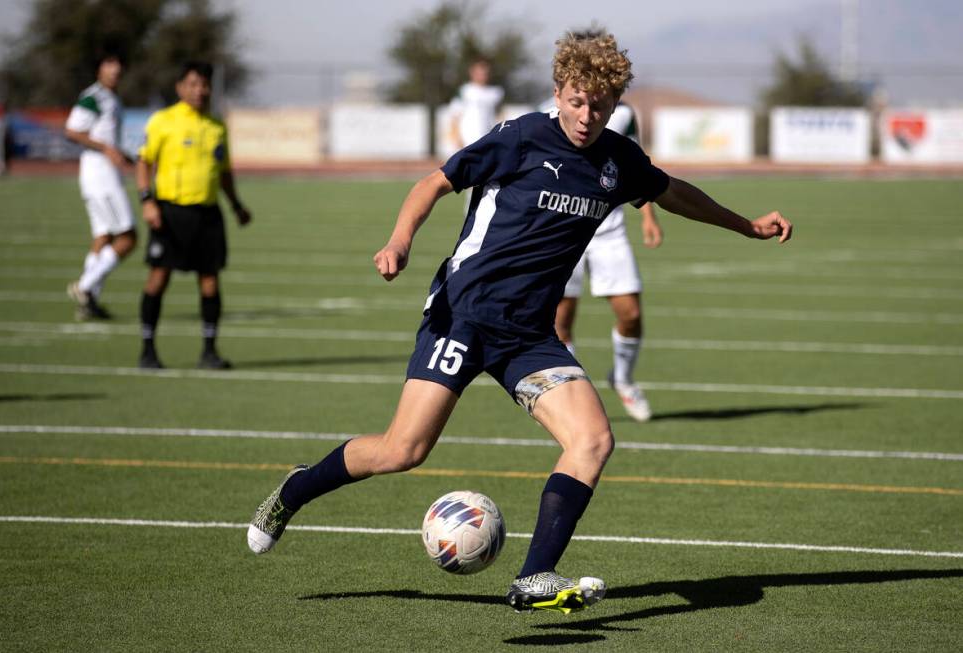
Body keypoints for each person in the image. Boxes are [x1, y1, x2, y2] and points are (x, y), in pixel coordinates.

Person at [246, 31, 792, 614]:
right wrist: (399, 241)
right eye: (577, 102)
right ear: (558, 92)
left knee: (593, 440)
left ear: (615, 106)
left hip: (530, 337)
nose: (586, 117)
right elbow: (433, 183)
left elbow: (676, 192)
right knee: (403, 450)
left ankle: (535, 577)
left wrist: (747, 226)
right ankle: (295, 489)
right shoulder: (523, 137)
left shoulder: (617, 160)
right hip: (463, 317)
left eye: (600, 106)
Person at [135, 61, 251, 370]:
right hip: (170, 212)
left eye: (205, 85)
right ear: (180, 87)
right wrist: (147, 201)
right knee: (158, 278)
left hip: (208, 214)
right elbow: (144, 162)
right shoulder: (163, 121)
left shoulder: (216, 126)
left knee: (210, 282)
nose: (200, 90)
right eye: (194, 84)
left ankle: (209, 351)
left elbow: (223, 172)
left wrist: (236, 206)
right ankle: (148, 349)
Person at [555, 99, 661, 422]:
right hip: (564, 231)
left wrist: (648, 217)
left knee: (631, 313)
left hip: (609, 231)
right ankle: (571, 397)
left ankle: (623, 379)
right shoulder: (550, 108)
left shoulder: (624, 113)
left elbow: (638, 169)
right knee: (561, 322)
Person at [64, 54, 137, 320]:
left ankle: (89, 303)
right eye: (109, 67)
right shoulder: (93, 96)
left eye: (118, 69)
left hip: (102, 171)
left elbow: (104, 135)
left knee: (103, 237)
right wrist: (106, 149)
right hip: (99, 173)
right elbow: (72, 130)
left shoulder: (112, 98)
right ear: (99, 69)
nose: (114, 73)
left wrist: (122, 154)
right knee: (128, 237)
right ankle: (84, 287)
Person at [447, 58, 505, 152]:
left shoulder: (496, 92)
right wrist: (456, 137)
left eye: (484, 73)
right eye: (479, 73)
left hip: (488, 137)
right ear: (472, 73)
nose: (482, 76)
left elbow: (500, 116)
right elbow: (454, 115)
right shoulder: (464, 91)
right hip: (467, 138)